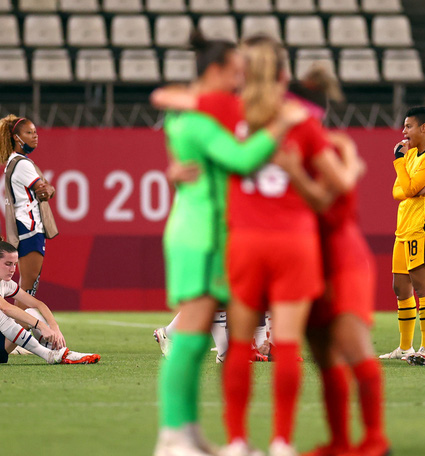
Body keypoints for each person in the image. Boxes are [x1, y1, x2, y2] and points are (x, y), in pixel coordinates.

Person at [152, 32, 307, 456]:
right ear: (217, 70)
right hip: (199, 235)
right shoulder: (200, 123)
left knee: (198, 337)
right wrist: (282, 124)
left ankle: (187, 433)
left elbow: (175, 102)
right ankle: (171, 436)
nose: (240, 80)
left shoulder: (196, 114)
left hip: (206, 233)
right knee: (188, 338)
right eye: (235, 72)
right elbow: (241, 159)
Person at [272, 66, 389, 456]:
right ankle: (340, 441)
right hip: (308, 260)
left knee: (354, 346)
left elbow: (331, 208)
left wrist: (295, 174)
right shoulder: (289, 147)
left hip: (341, 258)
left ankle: (375, 439)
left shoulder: (330, 148)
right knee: (323, 356)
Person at [0, 234, 100, 365]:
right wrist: (41, 326)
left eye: (14, 264)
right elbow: (6, 308)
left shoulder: (4, 282)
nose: (13, 269)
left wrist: (54, 327)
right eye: (7, 264)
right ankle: (48, 355)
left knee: (31, 312)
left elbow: (38, 304)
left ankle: (61, 352)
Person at [380, 106, 425, 360]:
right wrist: (416, 188)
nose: (403, 131)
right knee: (400, 288)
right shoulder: (411, 156)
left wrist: (399, 162)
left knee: (423, 287)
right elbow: (398, 191)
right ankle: (405, 347)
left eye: (408, 126)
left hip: (424, 228)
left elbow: (407, 186)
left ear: (424, 128)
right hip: (404, 228)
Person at [0, 115, 56, 304]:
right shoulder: (23, 164)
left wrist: (48, 189)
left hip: (24, 227)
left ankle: (12, 332)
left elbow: (46, 189)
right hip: (30, 227)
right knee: (27, 288)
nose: (35, 136)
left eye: (35, 132)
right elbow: (43, 190)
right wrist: (48, 189)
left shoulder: (14, 162)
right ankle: (12, 333)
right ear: (16, 138)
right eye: (28, 133)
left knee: (26, 288)